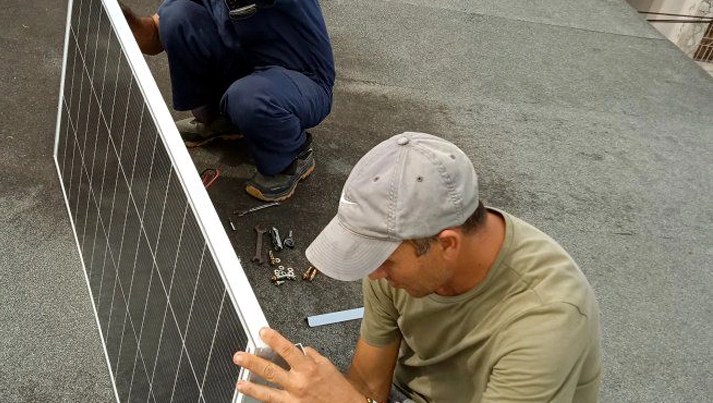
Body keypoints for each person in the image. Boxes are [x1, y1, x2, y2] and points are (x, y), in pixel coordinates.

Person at [233, 132, 602, 403]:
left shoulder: (547, 321)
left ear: (447, 244)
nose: (374, 273)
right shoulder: (395, 263)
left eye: (384, 259)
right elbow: (368, 388)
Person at [80, 0, 335, 202]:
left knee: (250, 96)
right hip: (248, 72)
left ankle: (292, 154)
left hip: (300, 84)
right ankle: (218, 120)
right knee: (176, 16)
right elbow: (153, 38)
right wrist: (114, 10)